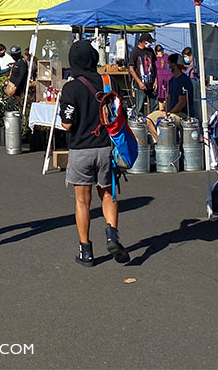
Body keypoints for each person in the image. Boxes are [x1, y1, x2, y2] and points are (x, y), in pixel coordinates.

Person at [58, 40, 130, 267]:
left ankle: (86, 250)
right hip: (106, 148)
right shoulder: (108, 82)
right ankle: (112, 235)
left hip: (81, 149)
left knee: (82, 201)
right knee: (108, 195)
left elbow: (67, 123)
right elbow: (121, 113)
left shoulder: (71, 88)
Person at [128, 33, 156, 115]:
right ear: (144, 42)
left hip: (152, 83)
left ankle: (153, 122)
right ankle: (141, 124)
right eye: (149, 42)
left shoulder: (150, 51)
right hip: (141, 84)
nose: (150, 44)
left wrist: (156, 81)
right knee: (139, 108)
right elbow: (131, 69)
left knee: (154, 107)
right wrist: (140, 82)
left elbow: (154, 66)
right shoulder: (135, 51)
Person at [165, 53, 195, 121]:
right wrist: (165, 111)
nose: (168, 66)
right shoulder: (171, 81)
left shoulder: (184, 80)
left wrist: (170, 113)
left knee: (166, 123)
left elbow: (181, 103)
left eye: (169, 63)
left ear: (174, 64)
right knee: (150, 118)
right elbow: (169, 99)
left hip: (182, 114)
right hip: (172, 112)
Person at [154, 45, 171, 111]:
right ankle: (168, 111)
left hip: (160, 79)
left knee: (161, 98)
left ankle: (162, 112)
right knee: (168, 97)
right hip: (168, 78)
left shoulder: (154, 59)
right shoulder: (167, 56)